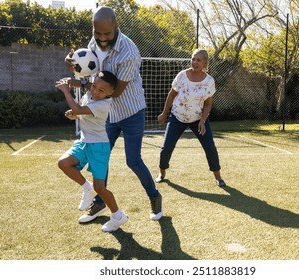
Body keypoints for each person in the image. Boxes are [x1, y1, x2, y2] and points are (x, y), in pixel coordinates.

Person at [65, 6, 162, 223]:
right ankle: (100, 202)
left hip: (130, 110)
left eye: (106, 34)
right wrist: (75, 67)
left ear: (116, 26)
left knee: (133, 160)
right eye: (97, 33)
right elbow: (90, 71)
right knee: (101, 157)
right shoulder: (93, 43)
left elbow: (115, 92)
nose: (101, 38)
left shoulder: (129, 52)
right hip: (106, 114)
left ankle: (155, 197)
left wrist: (81, 83)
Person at [56, 71, 128, 232]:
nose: (95, 91)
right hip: (84, 142)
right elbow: (81, 112)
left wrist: (67, 91)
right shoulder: (89, 94)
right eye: (94, 86)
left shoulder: (104, 104)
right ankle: (87, 188)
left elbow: (79, 108)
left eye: (101, 90)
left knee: (101, 188)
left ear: (110, 93)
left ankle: (118, 216)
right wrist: (75, 115)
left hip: (99, 147)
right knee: (64, 163)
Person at [156, 49, 226, 187]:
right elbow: (171, 95)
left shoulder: (209, 81)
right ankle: (162, 173)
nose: (195, 62)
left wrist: (203, 120)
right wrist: (164, 113)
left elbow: (208, 104)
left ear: (205, 63)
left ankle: (218, 177)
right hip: (177, 117)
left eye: (198, 60)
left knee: (210, 147)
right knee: (167, 147)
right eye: (193, 59)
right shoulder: (182, 76)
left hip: (198, 119)